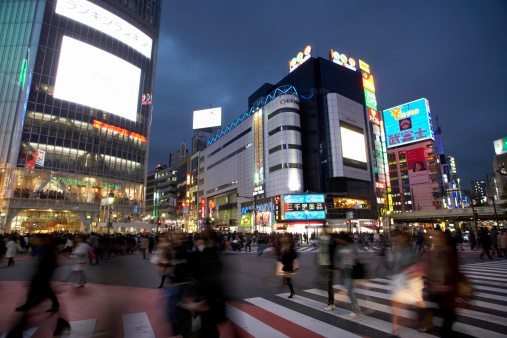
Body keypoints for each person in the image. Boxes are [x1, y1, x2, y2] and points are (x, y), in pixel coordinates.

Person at [427, 230, 459, 337]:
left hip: (447, 292)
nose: (436, 239)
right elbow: (428, 271)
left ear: (444, 238)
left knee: (450, 317)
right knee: (449, 317)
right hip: (436, 292)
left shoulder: (449, 253)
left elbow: (456, 273)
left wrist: (450, 287)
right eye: (434, 237)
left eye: (439, 237)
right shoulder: (430, 253)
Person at [337, 233, 361, 316]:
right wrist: (340, 264)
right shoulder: (340, 247)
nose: (338, 241)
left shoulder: (352, 246)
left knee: (350, 290)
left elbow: (356, 258)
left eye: (340, 239)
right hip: (344, 271)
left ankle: (356, 310)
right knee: (348, 289)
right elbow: (339, 258)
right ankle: (354, 305)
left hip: (351, 270)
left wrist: (350, 256)